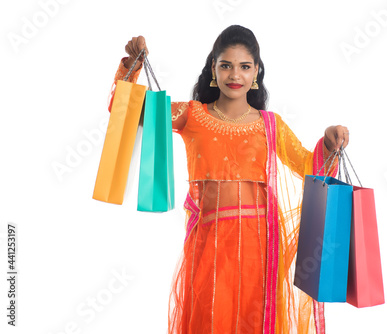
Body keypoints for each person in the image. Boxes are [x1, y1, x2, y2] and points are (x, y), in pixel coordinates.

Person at [108, 25, 349, 334]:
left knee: (257, 320)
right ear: (214, 69)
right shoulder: (192, 115)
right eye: (226, 65)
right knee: (210, 319)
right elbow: (125, 112)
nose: (235, 74)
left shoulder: (270, 125)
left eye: (245, 67)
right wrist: (132, 65)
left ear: (256, 72)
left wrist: (329, 144)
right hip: (209, 242)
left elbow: (310, 168)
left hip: (260, 246)